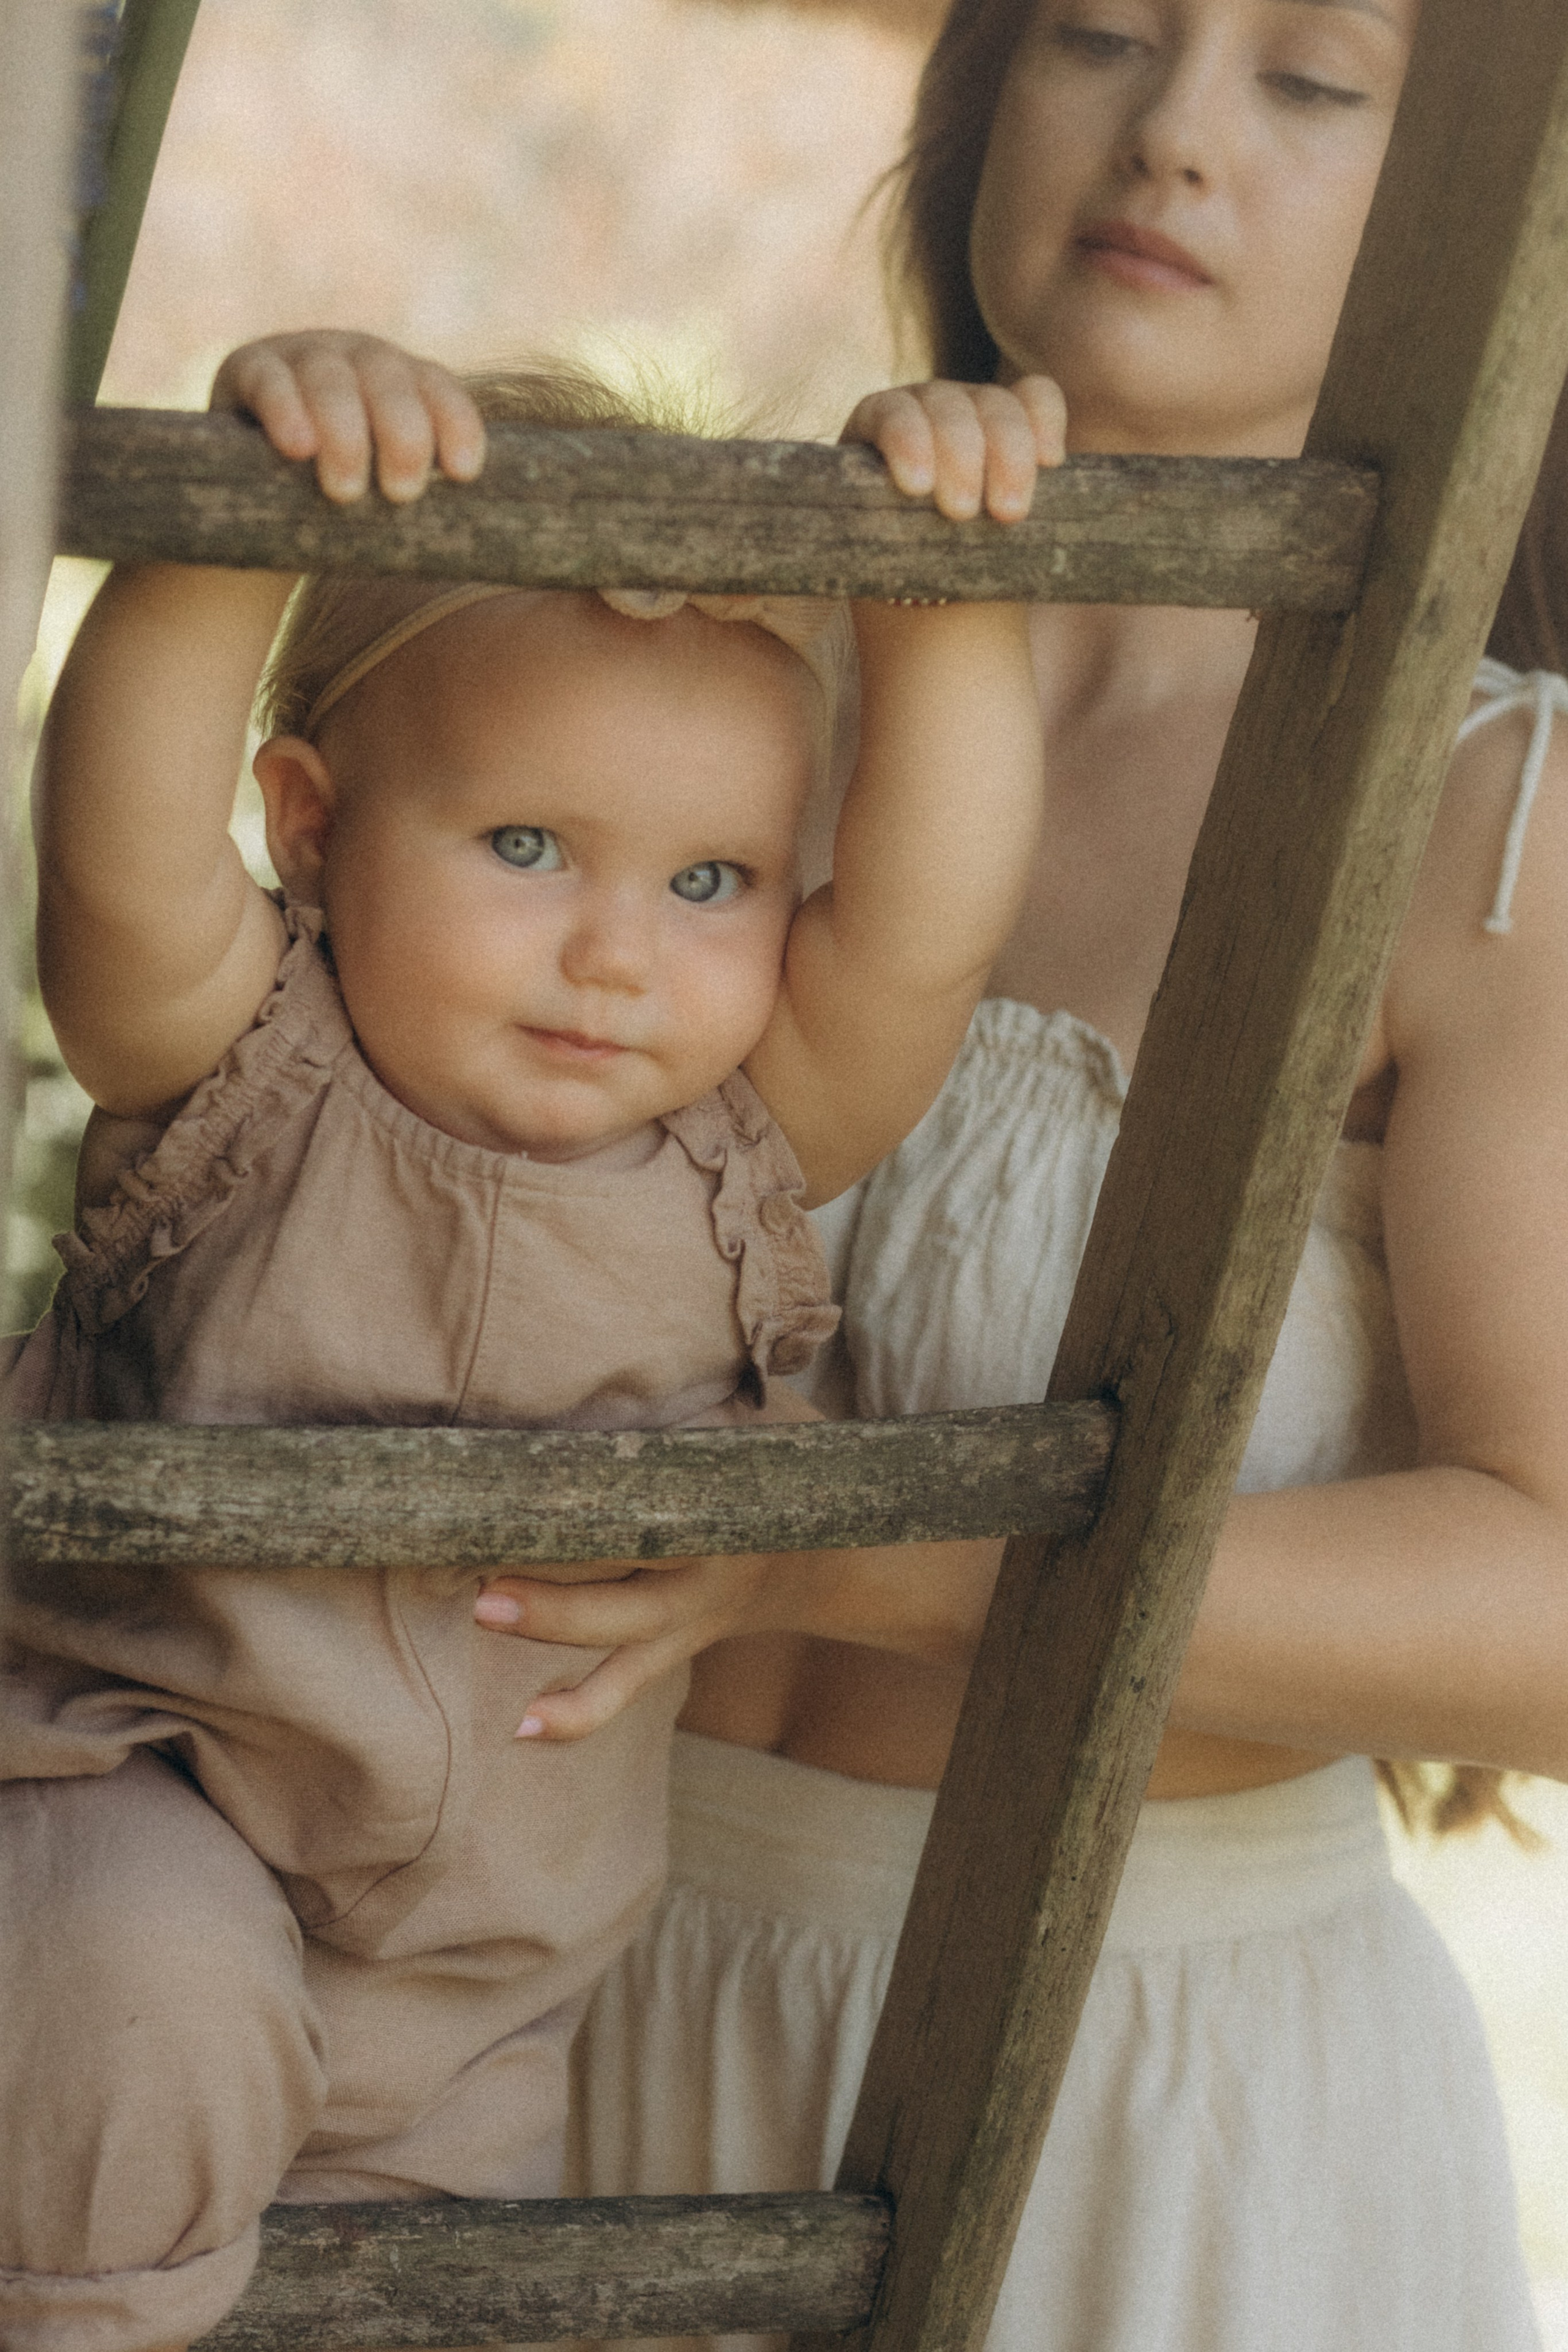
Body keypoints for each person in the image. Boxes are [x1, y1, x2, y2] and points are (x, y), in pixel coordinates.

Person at [476, 2, 1568, 2345]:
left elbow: (1556, 1596)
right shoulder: (714, 683)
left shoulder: (1495, 829)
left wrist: (883, 1561)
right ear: (981, 95)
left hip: (1139, 2101)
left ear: (1471, 190)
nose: (1173, 133)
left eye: (1309, 77)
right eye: (1102, 30)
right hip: (541, 2008)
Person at [0, 330, 1061, 2352]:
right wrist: (255, 510)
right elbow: (121, 843)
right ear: (310, 827)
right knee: (135, 2010)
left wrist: (948, 589)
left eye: (710, 879)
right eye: (523, 848)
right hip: (127, 1830)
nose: (616, 951)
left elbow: (930, 920)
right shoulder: (238, 1062)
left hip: (477, 2005)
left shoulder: (744, 1151)